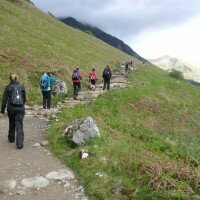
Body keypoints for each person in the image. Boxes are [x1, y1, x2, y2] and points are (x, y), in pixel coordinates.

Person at [0, 74, 26, 149]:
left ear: (10, 79)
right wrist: (21, 105)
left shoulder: (8, 87)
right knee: (19, 125)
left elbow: (4, 99)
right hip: (20, 109)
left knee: (11, 123)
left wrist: (2, 111)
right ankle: (20, 144)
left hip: (11, 109)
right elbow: (24, 98)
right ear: (17, 78)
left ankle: (11, 139)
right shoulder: (21, 86)